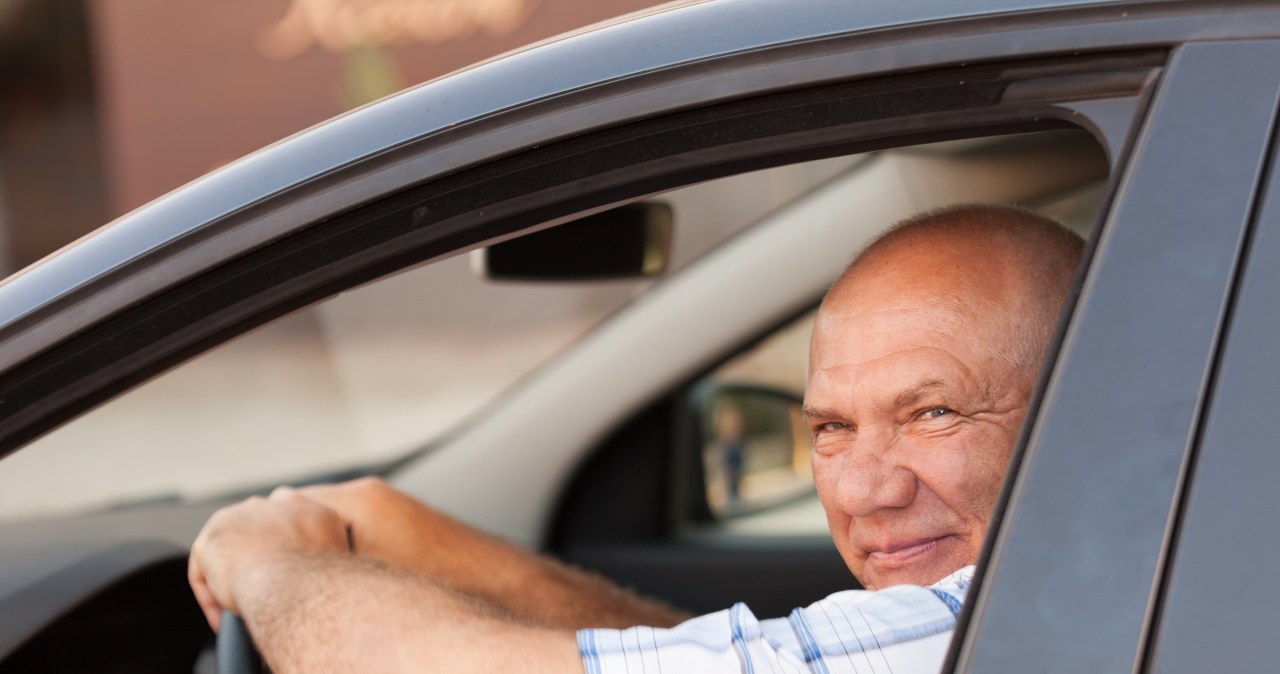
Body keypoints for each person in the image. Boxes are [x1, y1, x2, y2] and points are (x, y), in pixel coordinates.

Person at [188, 203, 1084, 673]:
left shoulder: (971, 627)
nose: (862, 492)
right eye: (831, 429)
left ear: (1084, 398)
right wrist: (414, 534)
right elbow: (688, 660)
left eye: (934, 413)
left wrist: (267, 565)